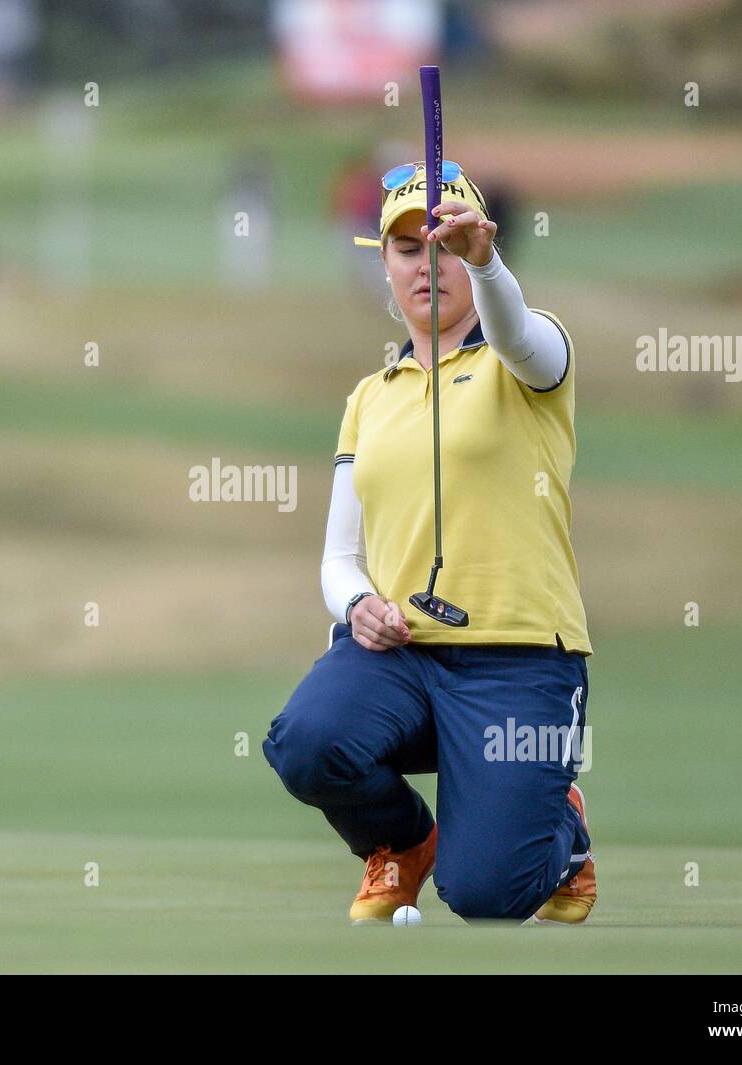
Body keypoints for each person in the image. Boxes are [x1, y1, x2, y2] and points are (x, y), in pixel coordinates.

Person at [263, 160, 595, 924]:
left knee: (485, 895)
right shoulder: (370, 398)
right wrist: (358, 607)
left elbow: (513, 327)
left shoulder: (530, 357)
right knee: (309, 742)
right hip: (405, 656)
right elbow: (338, 559)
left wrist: (487, 263)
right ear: (384, 262)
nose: (428, 264)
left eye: (446, 245)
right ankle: (403, 842)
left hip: (520, 661)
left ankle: (564, 828)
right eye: (409, 247)